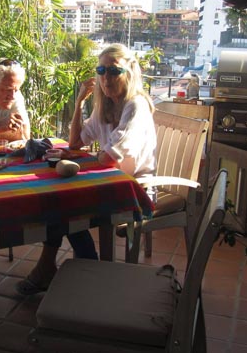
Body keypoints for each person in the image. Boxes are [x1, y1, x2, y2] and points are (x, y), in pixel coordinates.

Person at [15, 43, 156, 295]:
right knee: (61, 200)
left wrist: (94, 156)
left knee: (64, 204)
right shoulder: (106, 105)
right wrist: (80, 102)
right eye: (101, 71)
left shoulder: (135, 105)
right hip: (110, 181)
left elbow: (109, 157)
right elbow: (75, 143)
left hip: (134, 189)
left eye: (114, 71)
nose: (106, 78)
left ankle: (74, 268)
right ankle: (83, 266)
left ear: (129, 73)